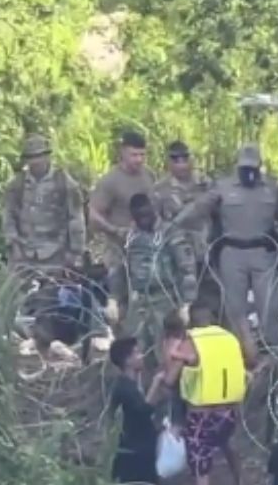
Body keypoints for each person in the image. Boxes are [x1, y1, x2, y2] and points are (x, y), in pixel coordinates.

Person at [151, 300, 246, 485]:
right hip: (228, 413)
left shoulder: (191, 341)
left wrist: (164, 373)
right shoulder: (229, 338)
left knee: (201, 476)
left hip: (200, 417)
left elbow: (172, 379)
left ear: (191, 321)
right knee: (232, 452)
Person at [173, 143, 278, 346]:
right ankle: (239, 356)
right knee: (235, 311)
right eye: (244, 169)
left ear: (259, 166)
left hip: (264, 252)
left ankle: (275, 356)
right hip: (232, 254)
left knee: (269, 308)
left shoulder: (273, 187)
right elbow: (199, 207)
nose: (248, 173)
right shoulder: (223, 187)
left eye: (252, 169)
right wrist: (174, 225)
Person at [90, 131, 158, 329]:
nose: (138, 160)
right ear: (123, 153)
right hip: (118, 250)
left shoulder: (149, 176)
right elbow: (93, 214)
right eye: (134, 155)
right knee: (117, 303)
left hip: (145, 249)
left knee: (145, 299)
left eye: (142, 155)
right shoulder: (110, 181)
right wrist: (115, 230)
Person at [124, 192, 198, 367]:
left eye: (145, 214)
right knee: (136, 351)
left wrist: (186, 304)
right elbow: (122, 267)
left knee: (166, 354)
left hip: (165, 300)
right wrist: (114, 297)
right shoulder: (132, 237)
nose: (143, 219)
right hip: (139, 301)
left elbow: (187, 268)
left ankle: (166, 389)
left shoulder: (170, 233)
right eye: (138, 215)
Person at [2, 134, 86, 284]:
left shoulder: (64, 182)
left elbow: (76, 218)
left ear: (48, 157)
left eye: (40, 156)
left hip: (55, 253)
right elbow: (9, 215)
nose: (36, 161)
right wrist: (13, 244)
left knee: (53, 299)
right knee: (19, 299)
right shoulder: (17, 184)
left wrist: (75, 252)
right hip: (24, 253)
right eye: (31, 157)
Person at [108, 336, 165, 485]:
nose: (141, 356)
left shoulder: (131, 383)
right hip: (134, 449)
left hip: (137, 447)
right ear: (127, 360)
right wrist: (157, 384)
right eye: (137, 353)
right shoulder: (125, 387)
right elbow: (143, 410)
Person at [154, 140, 213, 276]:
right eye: (176, 161)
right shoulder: (160, 189)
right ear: (169, 163)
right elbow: (156, 221)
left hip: (207, 250)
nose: (182, 165)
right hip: (177, 256)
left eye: (185, 159)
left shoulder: (205, 183)